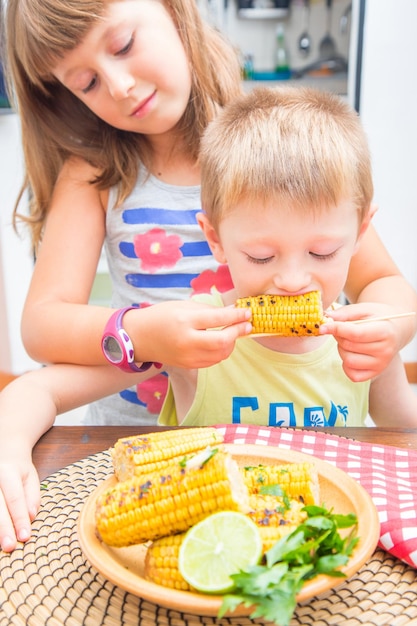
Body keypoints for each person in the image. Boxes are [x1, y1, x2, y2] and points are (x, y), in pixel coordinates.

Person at [1, 86, 416, 552]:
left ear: (360, 233)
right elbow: (38, 389)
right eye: (260, 256)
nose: (293, 280)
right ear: (215, 240)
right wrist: (9, 445)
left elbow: (406, 436)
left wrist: (392, 339)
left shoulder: (366, 341)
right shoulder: (193, 337)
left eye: (322, 252)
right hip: (211, 550)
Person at [4, 0, 417, 427]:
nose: (120, 85)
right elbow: (42, 325)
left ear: (173, 9)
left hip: (257, 423)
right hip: (129, 432)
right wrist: (144, 335)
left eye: (124, 45)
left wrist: (388, 329)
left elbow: (381, 281)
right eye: (87, 82)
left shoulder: (269, 151)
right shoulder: (94, 175)